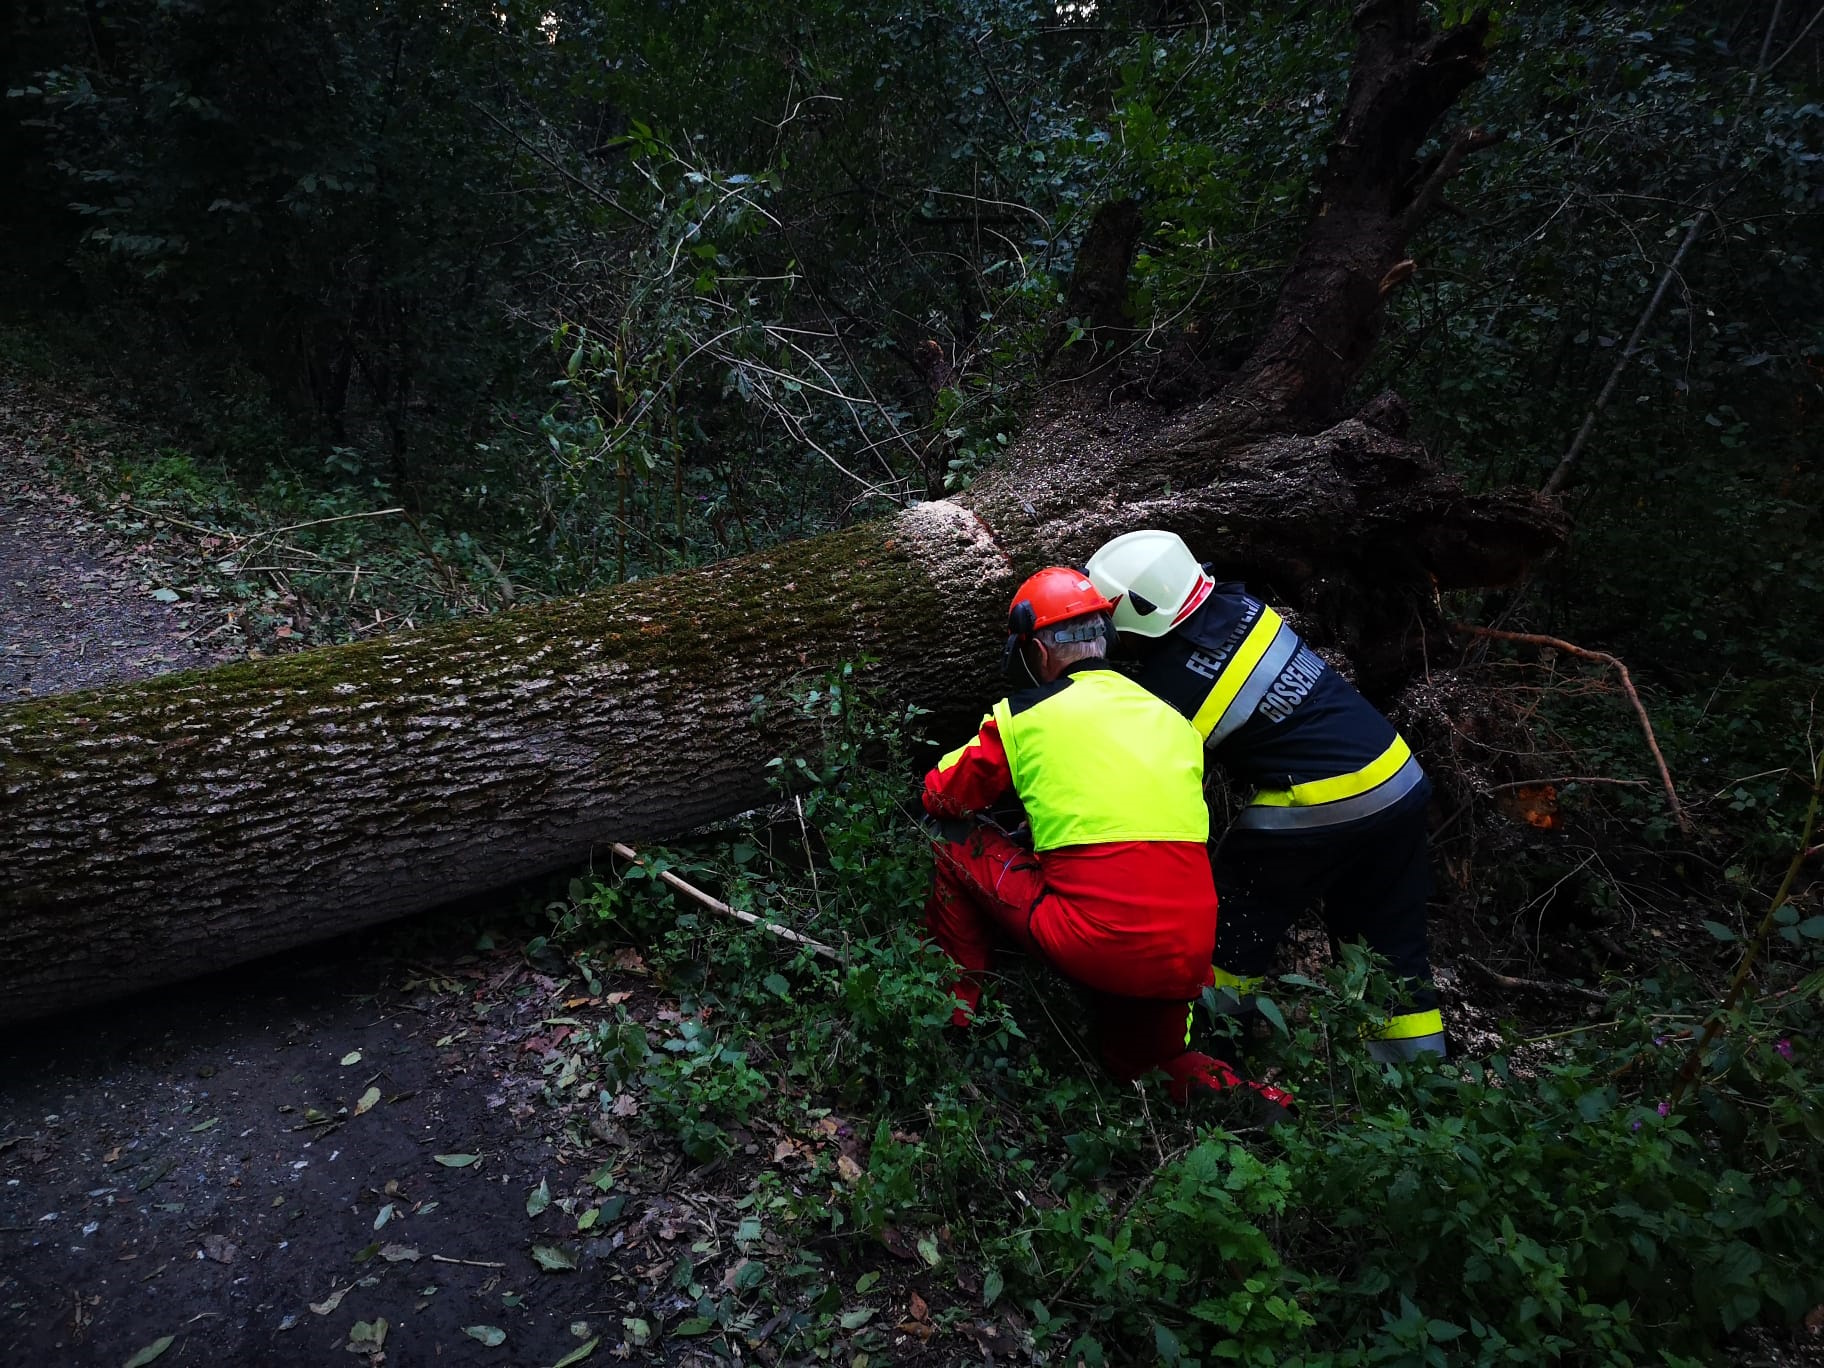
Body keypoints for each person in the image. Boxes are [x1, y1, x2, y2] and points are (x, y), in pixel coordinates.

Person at [920, 565, 1294, 1111]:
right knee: (1141, 1063)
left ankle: (955, 1011)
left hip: (1097, 941)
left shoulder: (1025, 717)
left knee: (950, 838)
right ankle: (1263, 1104)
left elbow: (942, 795)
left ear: (1036, 649)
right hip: (1186, 955)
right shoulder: (1172, 720)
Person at [1085, 530, 1444, 1062]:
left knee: (1234, 911)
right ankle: (1419, 1076)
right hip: (1398, 778)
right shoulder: (1241, 604)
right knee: (1390, 937)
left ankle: (1216, 1046)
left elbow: (1150, 770)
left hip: (1325, 798)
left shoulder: (1174, 684)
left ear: (1135, 614)